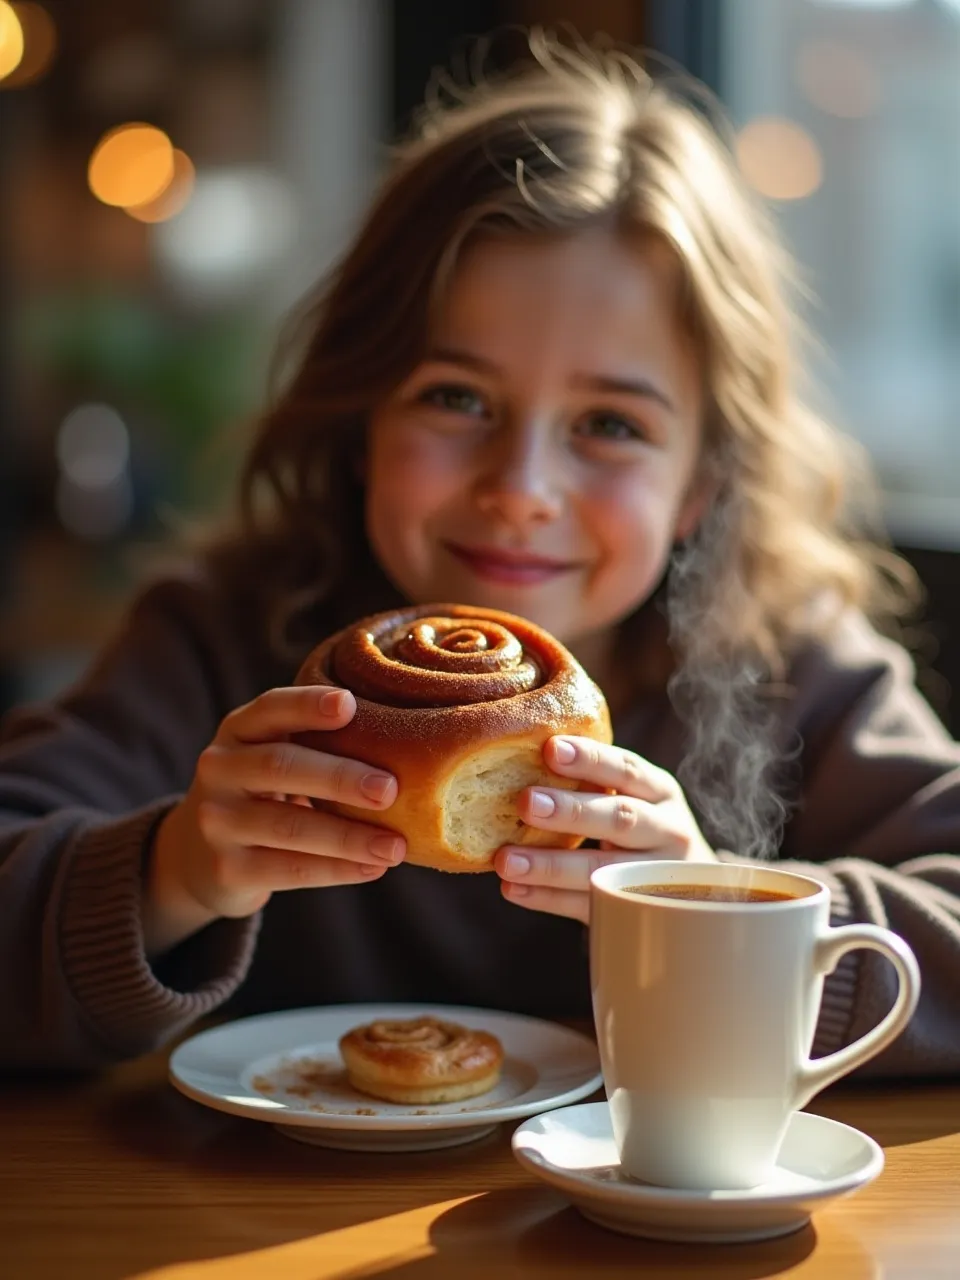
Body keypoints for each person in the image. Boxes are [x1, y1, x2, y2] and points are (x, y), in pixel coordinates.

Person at [2, 32, 959, 1074]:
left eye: (611, 425)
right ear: (361, 420)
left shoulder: (788, 665)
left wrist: (721, 908)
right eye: (457, 399)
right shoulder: (228, 641)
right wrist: (173, 866)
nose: (520, 490)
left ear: (701, 486)